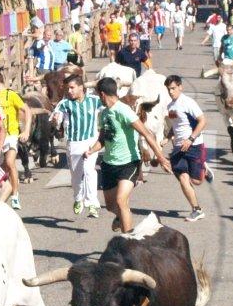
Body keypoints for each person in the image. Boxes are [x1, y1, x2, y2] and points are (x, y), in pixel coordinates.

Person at [90, 76, 170, 235]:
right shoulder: (104, 114)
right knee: (111, 206)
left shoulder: (124, 110)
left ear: (102, 94)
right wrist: (91, 150)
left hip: (129, 163)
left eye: (99, 95)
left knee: (121, 201)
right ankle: (120, 218)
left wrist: (161, 158)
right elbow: (103, 139)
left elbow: (147, 134)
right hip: (108, 164)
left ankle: (128, 241)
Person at [52, 75, 102, 218]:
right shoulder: (64, 104)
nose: (70, 91)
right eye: (68, 88)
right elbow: (57, 121)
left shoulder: (95, 101)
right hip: (73, 144)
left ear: (81, 87)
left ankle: (92, 203)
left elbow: (108, 108)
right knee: (75, 176)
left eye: (72, 87)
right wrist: (56, 121)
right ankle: (78, 198)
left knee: (89, 170)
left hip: (91, 142)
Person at [163, 76, 208, 222]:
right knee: (183, 178)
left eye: (173, 88)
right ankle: (197, 209)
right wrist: (167, 137)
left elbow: (202, 121)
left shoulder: (188, 102)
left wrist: (191, 139)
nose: (171, 92)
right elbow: (174, 126)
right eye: (168, 89)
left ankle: (204, 169)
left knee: (196, 181)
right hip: (178, 148)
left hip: (194, 145)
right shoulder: (170, 106)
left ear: (180, 87)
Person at [0, 69, 30, 210]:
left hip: (11, 135)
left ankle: (15, 195)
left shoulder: (11, 95)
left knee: (10, 162)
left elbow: (27, 110)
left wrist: (26, 130)